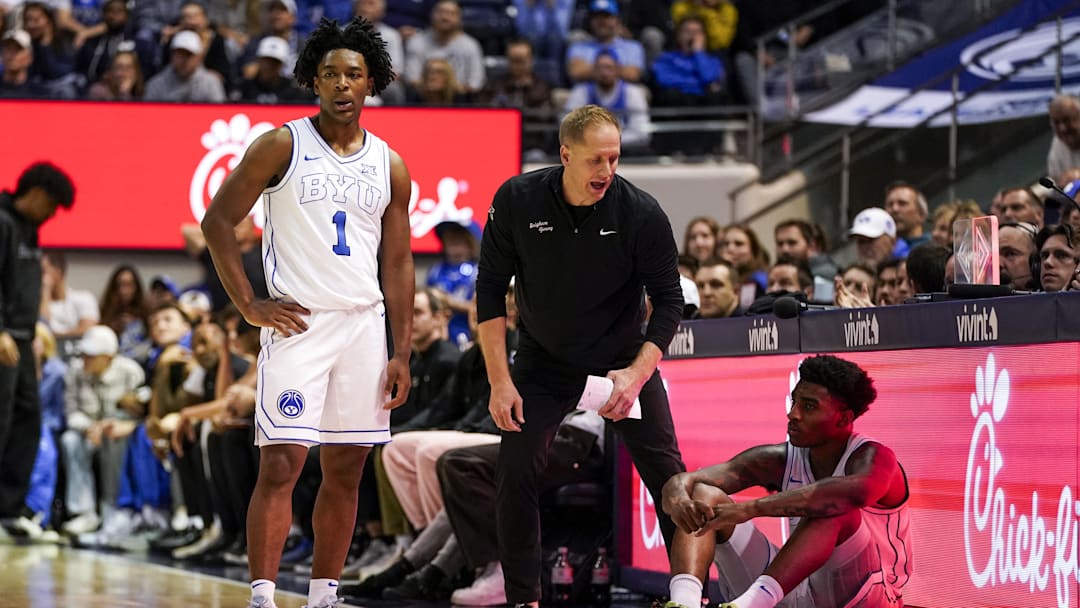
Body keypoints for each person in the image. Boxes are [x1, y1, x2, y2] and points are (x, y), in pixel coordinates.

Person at [199, 15, 414, 608]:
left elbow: (398, 264)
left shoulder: (390, 165)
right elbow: (217, 223)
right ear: (313, 82)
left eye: (354, 74)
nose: (343, 85)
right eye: (330, 75)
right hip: (299, 323)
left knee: (346, 470)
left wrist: (401, 349)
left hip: (364, 328)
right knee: (282, 466)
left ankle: (323, 596)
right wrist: (248, 303)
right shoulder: (281, 144)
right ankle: (262, 597)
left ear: (372, 83)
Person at [476, 104, 687, 607]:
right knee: (516, 473)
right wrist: (500, 382)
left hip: (620, 361)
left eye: (614, 159)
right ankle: (524, 598)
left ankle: (687, 594)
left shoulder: (640, 212)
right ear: (565, 154)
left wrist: (636, 376)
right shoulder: (517, 199)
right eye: (596, 160)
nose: (606, 172)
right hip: (543, 363)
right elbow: (488, 293)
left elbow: (670, 301)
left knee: (672, 479)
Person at [661, 355, 912, 608]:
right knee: (704, 493)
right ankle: (684, 602)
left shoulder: (876, 457)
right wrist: (680, 500)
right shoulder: (780, 458)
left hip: (869, 597)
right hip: (797, 590)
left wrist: (750, 509)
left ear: (844, 418)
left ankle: (751, 604)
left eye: (809, 406)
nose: (793, 414)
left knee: (832, 506)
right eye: (794, 402)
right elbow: (683, 481)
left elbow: (850, 494)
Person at [0, 162, 75, 535]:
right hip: (3, 338)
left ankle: (9, 510)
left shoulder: (30, 231)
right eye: (52, 205)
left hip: (23, 339)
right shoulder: (3, 222)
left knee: (26, 422)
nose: (51, 214)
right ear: (38, 193)